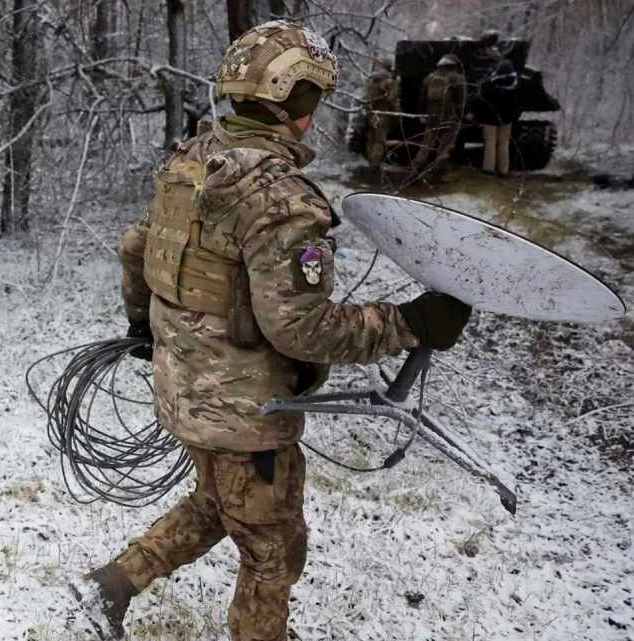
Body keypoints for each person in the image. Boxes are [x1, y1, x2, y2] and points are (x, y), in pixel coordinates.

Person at [70, 20, 472, 641]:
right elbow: (303, 330)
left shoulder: (192, 160)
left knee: (217, 504)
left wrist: (141, 325)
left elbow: (135, 250)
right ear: (293, 103)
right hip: (244, 413)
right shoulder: (278, 199)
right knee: (274, 551)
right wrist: (409, 324)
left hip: (187, 390)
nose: (312, 116)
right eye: (311, 100)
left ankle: (112, 587)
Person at [410, 54, 466, 175]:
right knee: (445, 147)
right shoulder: (458, 78)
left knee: (426, 146)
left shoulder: (429, 78)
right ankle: (439, 172)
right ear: (453, 65)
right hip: (449, 118)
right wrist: (460, 115)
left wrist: (422, 114)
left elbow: (422, 99)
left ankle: (415, 168)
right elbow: (461, 100)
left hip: (432, 117)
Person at [473, 59, 521, 176]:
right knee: (504, 143)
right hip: (506, 120)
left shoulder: (488, 85)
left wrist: (477, 115)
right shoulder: (515, 86)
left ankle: (488, 169)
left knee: (490, 143)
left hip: (489, 119)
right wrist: (512, 117)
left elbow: (479, 101)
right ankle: (503, 170)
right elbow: (516, 106)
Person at [364, 56, 399, 168]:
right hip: (384, 114)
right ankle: (375, 165)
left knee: (371, 138)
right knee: (380, 141)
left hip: (371, 113)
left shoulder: (371, 79)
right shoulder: (388, 80)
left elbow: (366, 97)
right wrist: (397, 115)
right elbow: (392, 99)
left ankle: (370, 161)